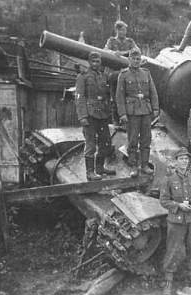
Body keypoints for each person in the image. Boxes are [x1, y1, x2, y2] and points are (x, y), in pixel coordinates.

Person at [160, 147, 191, 295]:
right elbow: (164, 201)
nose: (184, 162)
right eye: (181, 159)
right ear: (176, 161)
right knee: (173, 249)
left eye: (186, 159)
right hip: (177, 220)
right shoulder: (169, 179)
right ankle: (168, 281)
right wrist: (178, 205)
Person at [116, 48, 160, 177]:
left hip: (146, 111)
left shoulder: (146, 73)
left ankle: (144, 165)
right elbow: (119, 96)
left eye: (138, 59)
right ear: (129, 59)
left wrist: (155, 108)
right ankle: (133, 166)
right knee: (133, 140)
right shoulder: (123, 75)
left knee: (146, 139)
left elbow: (153, 92)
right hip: (132, 112)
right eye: (134, 59)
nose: (136, 61)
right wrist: (122, 113)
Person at [75, 52, 116, 181]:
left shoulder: (104, 76)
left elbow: (109, 93)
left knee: (106, 143)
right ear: (89, 62)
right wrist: (82, 116)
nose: (95, 64)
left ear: (101, 62)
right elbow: (79, 97)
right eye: (93, 61)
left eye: (98, 61)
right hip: (90, 114)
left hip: (103, 114)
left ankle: (100, 168)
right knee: (91, 145)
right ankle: (90, 172)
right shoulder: (83, 76)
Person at [103, 20, 140, 124]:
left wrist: (123, 53)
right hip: (114, 74)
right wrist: (114, 53)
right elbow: (105, 50)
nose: (124, 32)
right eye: (122, 30)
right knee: (115, 98)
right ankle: (116, 121)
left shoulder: (130, 41)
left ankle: (129, 121)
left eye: (125, 30)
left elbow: (137, 51)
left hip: (128, 73)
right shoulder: (111, 41)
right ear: (117, 30)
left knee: (129, 97)